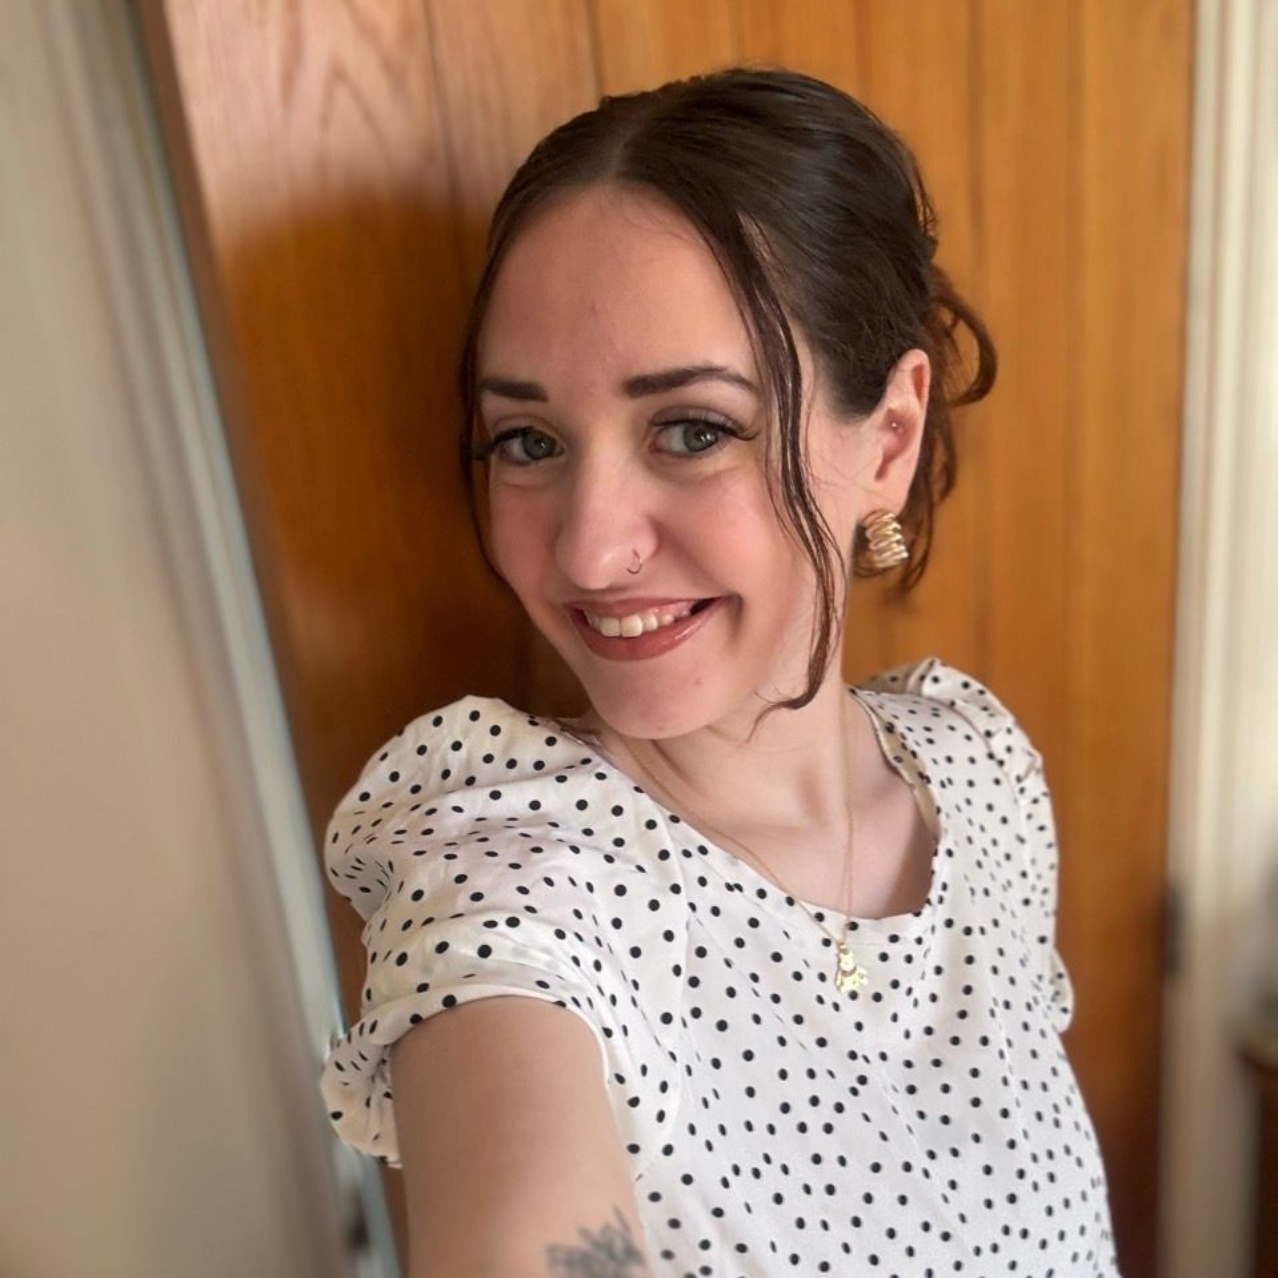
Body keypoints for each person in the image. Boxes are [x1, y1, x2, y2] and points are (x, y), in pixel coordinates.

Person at [320, 67, 1119, 1278]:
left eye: (693, 429)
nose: (589, 546)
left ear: (888, 442)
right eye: (527, 441)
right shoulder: (503, 873)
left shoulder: (984, 779)